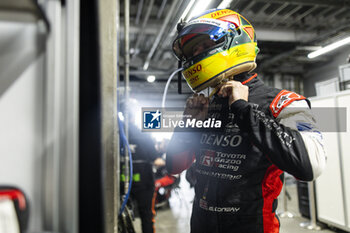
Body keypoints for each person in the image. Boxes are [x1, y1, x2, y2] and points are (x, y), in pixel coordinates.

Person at [166, 9, 326, 233]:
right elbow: (174, 166)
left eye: (203, 44)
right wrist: (187, 125)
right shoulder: (206, 106)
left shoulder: (283, 101)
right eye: (192, 51)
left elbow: (310, 166)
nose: (196, 54)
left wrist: (244, 110)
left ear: (235, 39)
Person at [120, 100, 164, 233]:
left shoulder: (117, 133)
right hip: (144, 183)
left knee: (120, 214)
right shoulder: (143, 134)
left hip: (121, 182)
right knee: (146, 215)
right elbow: (156, 160)